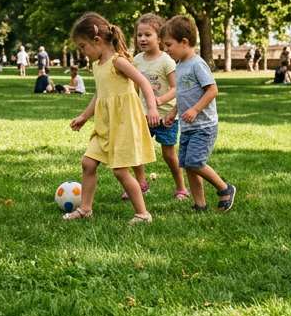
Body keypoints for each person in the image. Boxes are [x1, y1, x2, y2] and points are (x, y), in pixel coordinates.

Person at [63, 12, 161, 224]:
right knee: (88, 163)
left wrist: (152, 109)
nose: (82, 52)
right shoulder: (98, 66)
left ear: (97, 40)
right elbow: (100, 95)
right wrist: (84, 117)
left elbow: (144, 83)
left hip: (124, 124)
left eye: (83, 46)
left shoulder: (118, 62)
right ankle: (85, 209)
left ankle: (143, 214)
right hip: (105, 125)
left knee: (120, 171)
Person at [162, 15, 237, 213]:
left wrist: (195, 110)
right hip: (188, 126)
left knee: (195, 162)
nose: (165, 49)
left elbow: (212, 90)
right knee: (187, 165)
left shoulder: (197, 64)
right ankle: (200, 204)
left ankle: (224, 188)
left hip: (204, 126)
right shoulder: (179, 65)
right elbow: (183, 94)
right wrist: (173, 112)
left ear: (184, 42)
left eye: (168, 45)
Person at [131, 13, 188, 202]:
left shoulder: (167, 61)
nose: (142, 39)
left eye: (148, 34)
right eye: (139, 35)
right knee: (136, 150)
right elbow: (134, 88)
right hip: (142, 115)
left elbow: (176, 88)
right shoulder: (137, 60)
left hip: (166, 117)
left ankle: (181, 188)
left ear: (160, 38)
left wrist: (161, 100)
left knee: (168, 154)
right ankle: (140, 184)